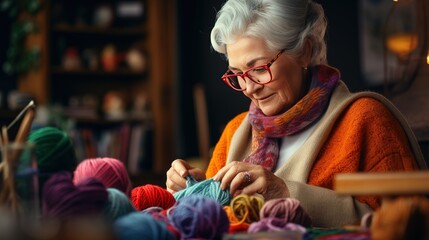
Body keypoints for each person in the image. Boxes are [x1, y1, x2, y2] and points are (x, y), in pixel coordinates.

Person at [166, 0, 427, 227]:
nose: (248, 88)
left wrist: (285, 192)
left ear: (305, 51)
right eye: (236, 74)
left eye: (258, 69)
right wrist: (198, 189)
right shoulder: (235, 132)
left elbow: (409, 223)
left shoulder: (367, 120)